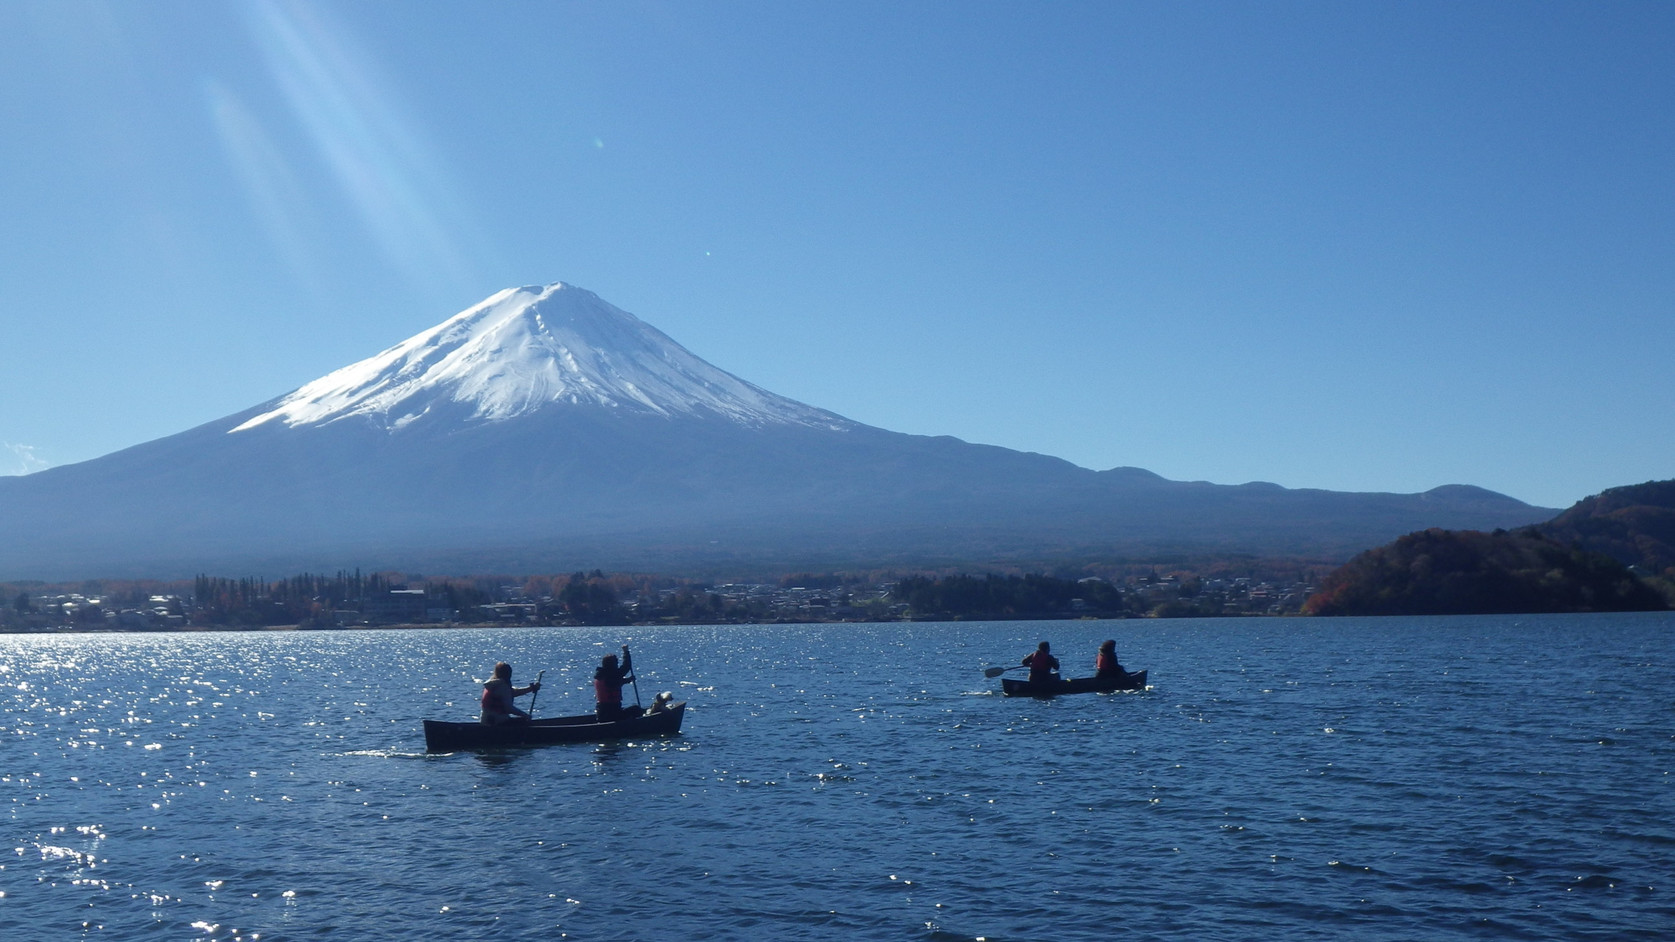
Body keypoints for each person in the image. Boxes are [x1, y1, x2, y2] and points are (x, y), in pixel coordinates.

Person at [593, 646, 642, 722]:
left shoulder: (600, 675)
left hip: (601, 714)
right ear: (612, 665)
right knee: (636, 709)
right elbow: (626, 667)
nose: (617, 665)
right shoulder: (612, 675)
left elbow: (613, 684)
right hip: (612, 714)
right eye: (616, 663)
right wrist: (626, 652)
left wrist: (628, 680)